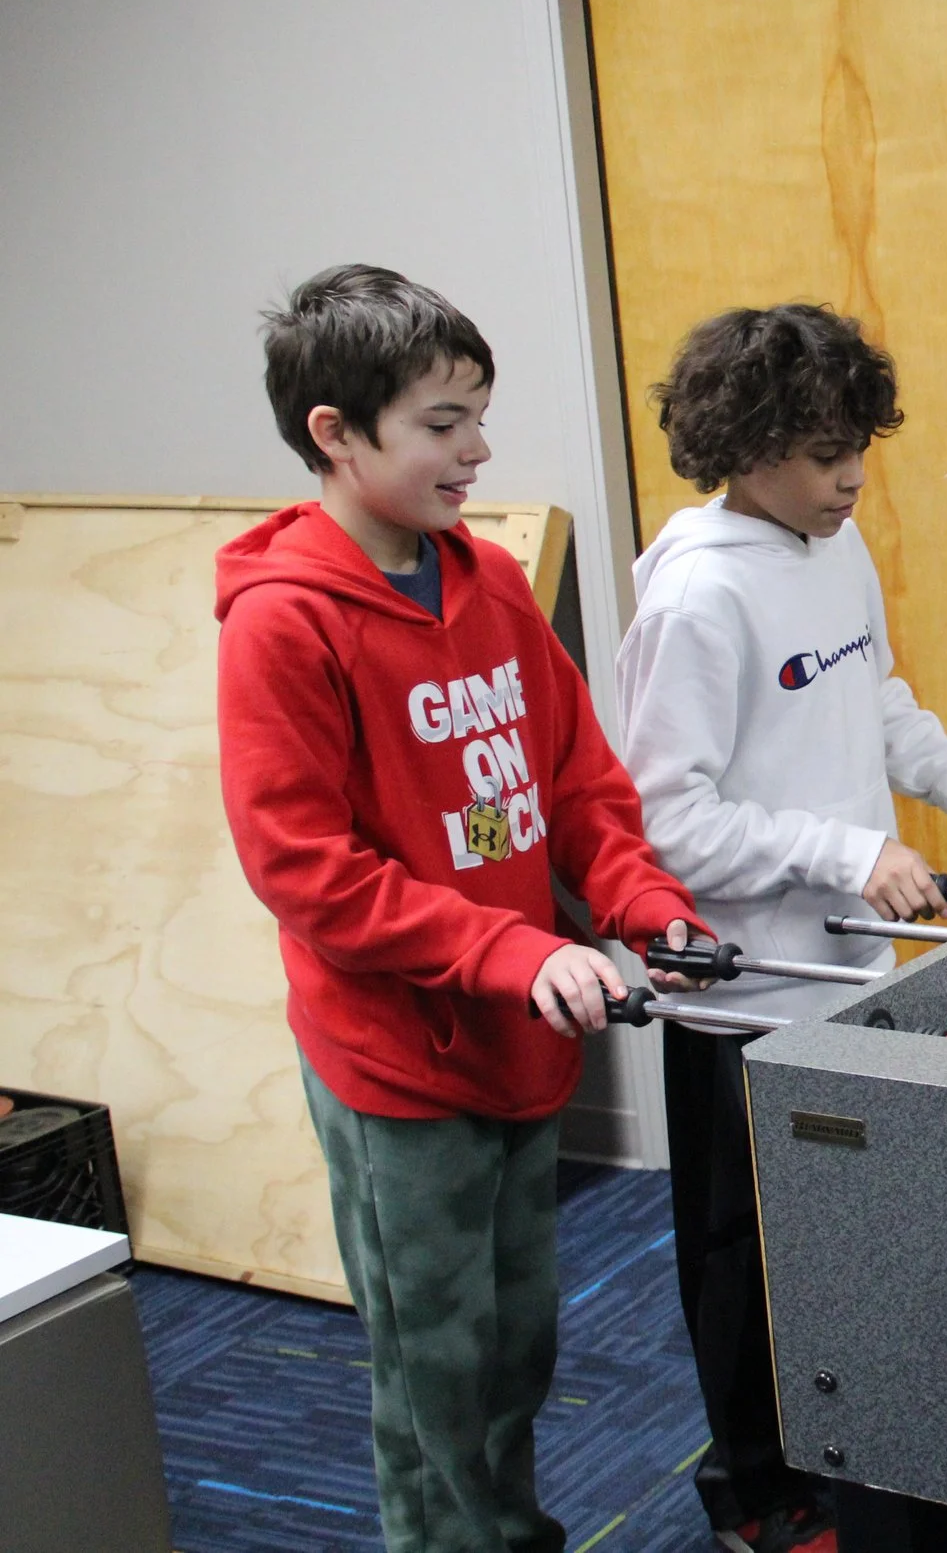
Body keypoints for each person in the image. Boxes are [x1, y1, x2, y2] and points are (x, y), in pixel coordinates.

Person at [218, 264, 710, 1553]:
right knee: (433, 1360)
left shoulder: (485, 580)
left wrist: (642, 903)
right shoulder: (283, 625)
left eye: (478, 415)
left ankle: (509, 1531)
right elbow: (303, 867)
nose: (478, 449)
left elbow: (575, 779)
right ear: (336, 430)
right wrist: (506, 945)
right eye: (442, 423)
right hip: (397, 1060)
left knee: (517, 1336)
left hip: (517, 1037)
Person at [615, 302, 947, 1553]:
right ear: (745, 448)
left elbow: (875, 695)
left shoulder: (830, 547)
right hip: (742, 997)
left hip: (845, 977)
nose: (850, 474)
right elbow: (668, 818)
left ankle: (854, 1449)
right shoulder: (697, 597)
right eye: (818, 449)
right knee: (743, 1262)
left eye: (859, 443)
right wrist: (851, 851)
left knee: (844, 1246)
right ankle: (752, 1494)